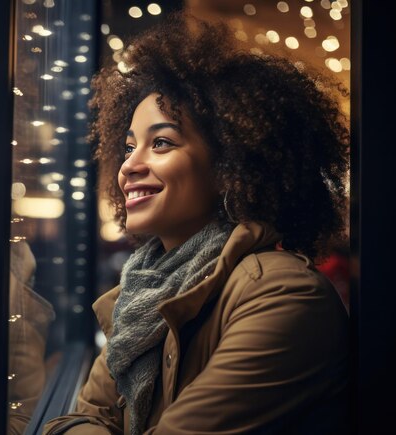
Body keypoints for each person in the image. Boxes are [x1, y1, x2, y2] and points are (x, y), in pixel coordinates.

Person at [43, 10, 350, 435]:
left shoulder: (284, 296)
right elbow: (73, 420)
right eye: (129, 146)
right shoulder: (141, 292)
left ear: (228, 166)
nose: (129, 165)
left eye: (162, 143)